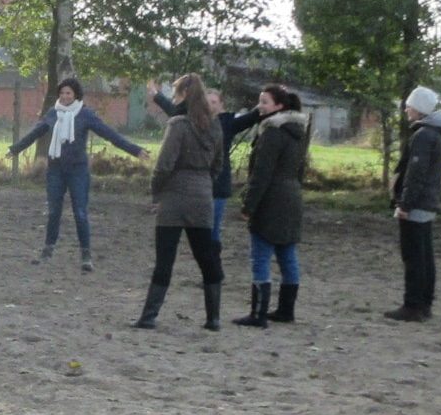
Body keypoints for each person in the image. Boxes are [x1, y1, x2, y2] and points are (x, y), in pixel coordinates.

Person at [8, 78, 150, 271]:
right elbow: (35, 133)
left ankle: (86, 254)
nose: (65, 96)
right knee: (53, 211)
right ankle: (48, 250)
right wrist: (15, 149)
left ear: (75, 95)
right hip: (55, 169)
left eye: (68, 93)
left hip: (78, 171)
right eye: (62, 93)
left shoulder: (85, 114)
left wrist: (135, 150)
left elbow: (110, 134)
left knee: (80, 213)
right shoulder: (53, 113)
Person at [132, 74, 225, 330]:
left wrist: (156, 192)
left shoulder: (178, 125)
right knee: (206, 257)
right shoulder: (214, 125)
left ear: (183, 94)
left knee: (165, 259)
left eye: (175, 93)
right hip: (202, 196)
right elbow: (218, 165)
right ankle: (213, 318)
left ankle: (149, 316)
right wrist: (204, 183)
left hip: (174, 197)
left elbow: (164, 165)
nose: (173, 98)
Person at [232, 85, 309, 328]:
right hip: (292, 196)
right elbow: (300, 169)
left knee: (261, 256)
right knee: (287, 255)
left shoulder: (272, 133)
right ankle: (286, 310)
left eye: (264, 102)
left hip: (271, 199)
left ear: (279, 106)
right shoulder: (298, 132)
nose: (260, 106)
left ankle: (258, 313)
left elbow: (261, 174)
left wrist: (248, 205)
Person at [152, 85, 261, 243]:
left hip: (218, 185)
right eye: (207, 101)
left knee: (212, 231)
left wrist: (272, 99)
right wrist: (157, 95)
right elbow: (173, 110)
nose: (210, 105)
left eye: (214, 102)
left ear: (221, 104)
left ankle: (213, 254)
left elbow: (253, 116)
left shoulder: (228, 122)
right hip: (195, 187)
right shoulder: (192, 121)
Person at [384, 86, 441, 321]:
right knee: (425, 255)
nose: (406, 110)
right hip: (428, 201)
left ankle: (412, 305)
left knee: (413, 256)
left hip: (417, 203)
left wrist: (404, 204)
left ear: (419, 108)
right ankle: (425, 303)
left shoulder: (422, 136)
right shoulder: (438, 135)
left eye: (409, 106)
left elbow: (415, 173)